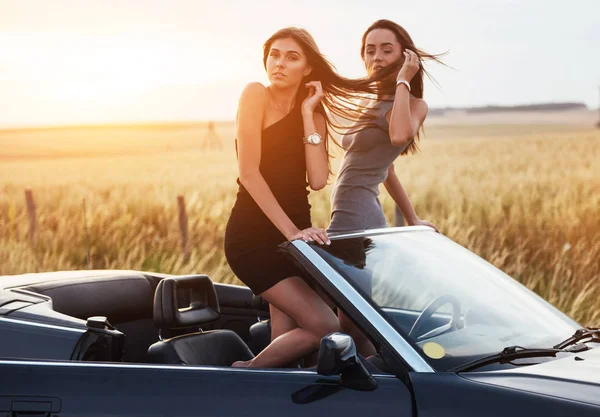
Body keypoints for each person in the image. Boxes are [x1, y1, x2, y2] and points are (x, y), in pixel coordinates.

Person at [225, 27, 397, 368]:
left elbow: (318, 180)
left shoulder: (313, 114)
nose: (279, 63)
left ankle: (264, 389)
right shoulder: (254, 94)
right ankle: (244, 372)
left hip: (295, 237)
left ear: (307, 68)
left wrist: (306, 117)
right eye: (274, 55)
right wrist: (291, 233)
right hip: (253, 236)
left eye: (291, 57)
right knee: (324, 325)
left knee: (285, 346)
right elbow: (249, 174)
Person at [328, 19, 443, 356]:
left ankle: (374, 377)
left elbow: (397, 137)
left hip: (356, 220)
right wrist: (411, 216)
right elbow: (386, 167)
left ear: (405, 56)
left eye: (386, 49)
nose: (376, 57)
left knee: (350, 319)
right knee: (350, 317)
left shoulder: (414, 105)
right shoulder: (371, 102)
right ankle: (370, 372)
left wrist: (404, 80)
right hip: (351, 214)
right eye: (370, 50)